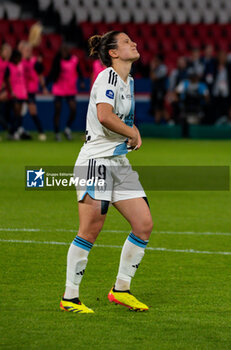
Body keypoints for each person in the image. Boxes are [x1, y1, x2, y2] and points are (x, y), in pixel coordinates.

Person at [60, 31, 153, 313]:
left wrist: (130, 134)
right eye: (126, 42)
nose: (134, 43)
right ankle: (70, 297)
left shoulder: (129, 81)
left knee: (144, 224)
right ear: (113, 53)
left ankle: (121, 289)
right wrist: (133, 132)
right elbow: (104, 116)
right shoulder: (107, 77)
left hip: (118, 162)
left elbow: (117, 121)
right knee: (90, 230)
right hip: (95, 161)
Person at [48, 44, 84, 141]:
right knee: (57, 111)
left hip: (70, 89)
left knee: (73, 109)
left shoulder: (74, 60)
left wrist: (81, 81)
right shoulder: (58, 61)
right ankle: (56, 133)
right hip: (59, 88)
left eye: (65, 51)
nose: (63, 53)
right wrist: (46, 85)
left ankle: (67, 129)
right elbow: (52, 73)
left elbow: (79, 71)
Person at [20, 41, 47, 141]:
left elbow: (40, 75)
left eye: (29, 50)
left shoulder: (35, 62)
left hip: (30, 91)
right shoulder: (19, 62)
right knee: (18, 112)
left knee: (33, 112)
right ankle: (17, 131)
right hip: (20, 91)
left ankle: (41, 132)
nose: (28, 52)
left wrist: (43, 87)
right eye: (26, 50)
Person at [5, 49, 32, 140]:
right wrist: (11, 91)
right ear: (15, 58)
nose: (20, 59)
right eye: (19, 58)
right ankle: (13, 132)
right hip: (14, 94)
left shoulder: (20, 66)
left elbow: (23, 80)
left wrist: (25, 92)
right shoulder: (9, 66)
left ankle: (14, 131)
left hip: (21, 93)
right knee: (15, 113)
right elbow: (8, 80)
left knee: (19, 114)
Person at [149, 54, 169, 123]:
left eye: (156, 60)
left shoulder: (163, 68)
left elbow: (153, 77)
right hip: (156, 90)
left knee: (160, 107)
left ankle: (168, 121)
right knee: (157, 107)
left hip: (160, 91)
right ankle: (159, 121)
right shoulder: (156, 68)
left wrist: (152, 68)